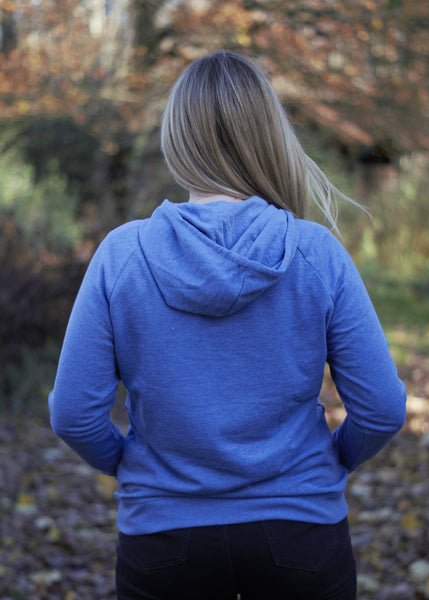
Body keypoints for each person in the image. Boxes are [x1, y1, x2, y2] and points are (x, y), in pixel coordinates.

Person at [48, 50, 406, 600]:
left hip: (163, 537)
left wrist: (132, 465)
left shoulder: (122, 256)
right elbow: (381, 408)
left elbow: (73, 413)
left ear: (177, 139)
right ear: (267, 135)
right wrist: (330, 461)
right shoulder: (315, 253)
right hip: (301, 532)